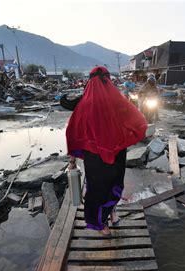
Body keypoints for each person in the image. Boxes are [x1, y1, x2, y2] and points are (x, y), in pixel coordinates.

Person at [60, 66, 147, 236]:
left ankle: (101, 225)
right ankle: (112, 214)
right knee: (113, 185)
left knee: (97, 189)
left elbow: (74, 132)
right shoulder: (118, 100)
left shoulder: (84, 103)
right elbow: (138, 120)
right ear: (108, 80)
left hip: (95, 156)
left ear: (90, 81)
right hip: (117, 153)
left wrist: (72, 161)